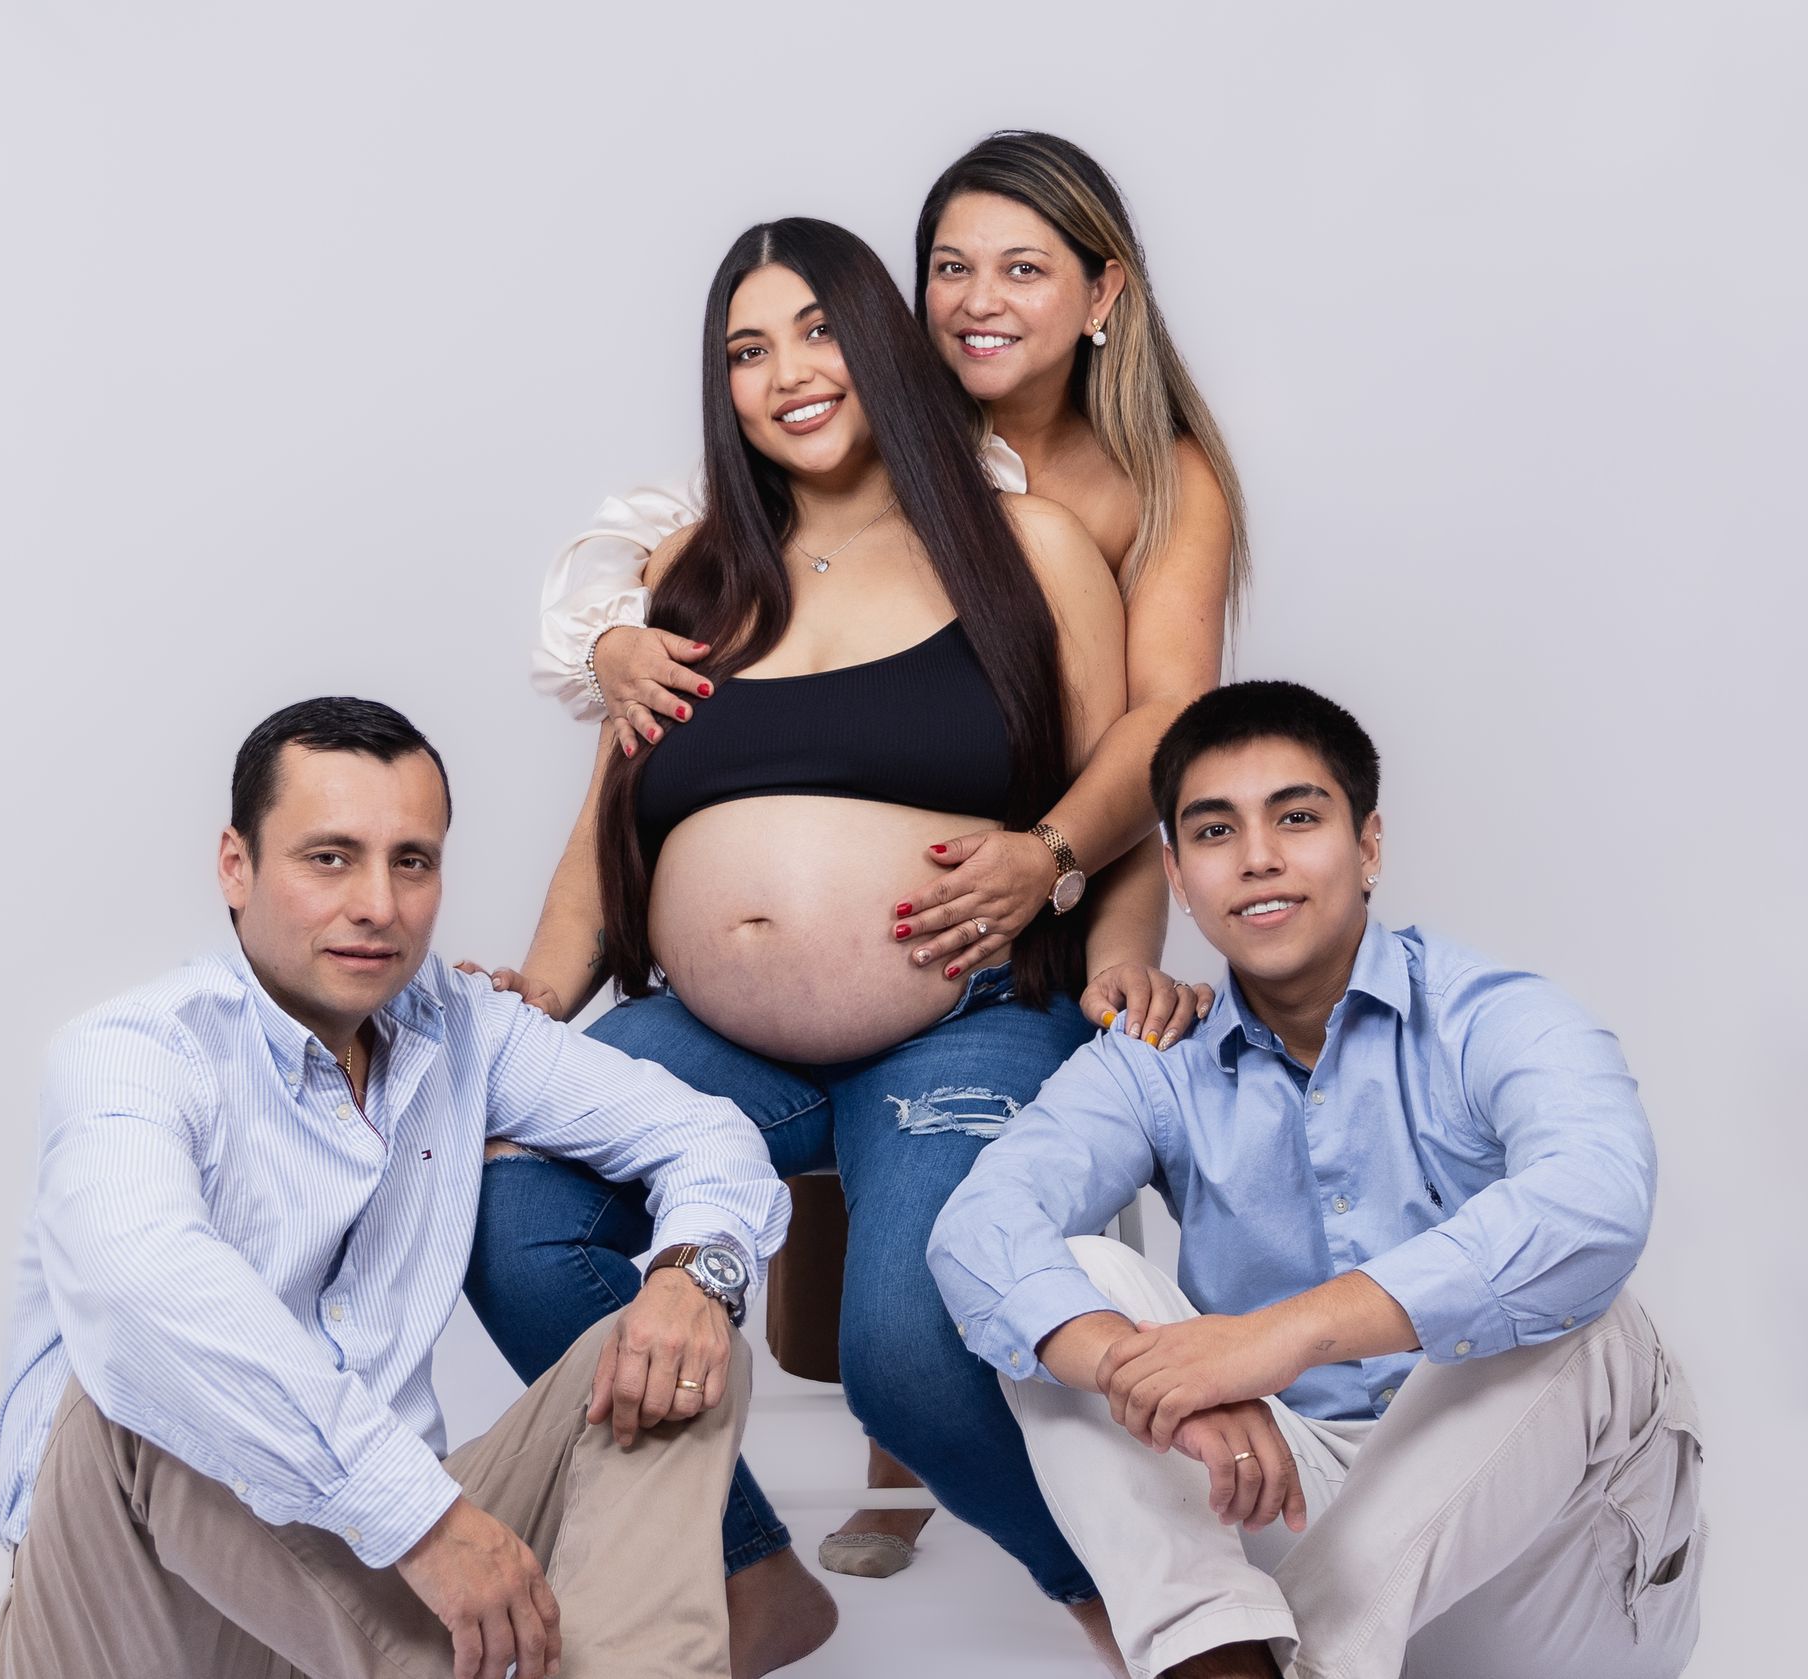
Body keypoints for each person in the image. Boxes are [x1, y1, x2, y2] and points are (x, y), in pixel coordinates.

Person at [525, 125, 1237, 1567]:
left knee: (903, 1342)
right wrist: (524, 1012)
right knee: (497, 1194)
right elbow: (608, 816)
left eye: (817, 333)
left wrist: (1098, 944)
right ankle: (746, 1567)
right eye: (748, 350)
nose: (789, 371)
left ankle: (1164, 1607)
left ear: (1102, 291)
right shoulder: (702, 560)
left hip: (961, 1006)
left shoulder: (1070, 526)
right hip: (718, 1030)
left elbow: (1151, 746)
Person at [0, 696, 791, 1679]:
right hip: (147, 1613)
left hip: (378, 1588)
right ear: (236, 867)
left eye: (411, 860)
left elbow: (707, 1133)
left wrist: (687, 1276)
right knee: (147, 1365)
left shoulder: (465, 1029)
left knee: (681, 1341)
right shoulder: (134, 1050)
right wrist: (424, 1519)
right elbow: (136, 1283)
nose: (378, 903)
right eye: (329, 857)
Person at [928, 680, 1705, 1679]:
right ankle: (1219, 1659)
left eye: (1298, 816)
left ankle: (1314, 1658)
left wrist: (1267, 1341)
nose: (1258, 856)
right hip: (1284, 1502)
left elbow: (1597, 1197)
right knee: (1078, 1277)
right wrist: (1159, 1379)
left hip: (1543, 1569)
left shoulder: (1490, 1014)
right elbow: (979, 1227)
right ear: (1174, 870)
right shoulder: (1158, 1054)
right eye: (1215, 830)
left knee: (1588, 1307)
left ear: (1368, 845)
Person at [532, 127, 1242, 1040]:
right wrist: (608, 638)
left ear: (1101, 291)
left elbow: (1147, 746)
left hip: (990, 951)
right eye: (951, 267)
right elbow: (670, 531)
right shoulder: (857, 421)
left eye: (1023, 269)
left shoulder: (1146, 487)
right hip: (734, 1004)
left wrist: (1087, 914)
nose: (978, 301)